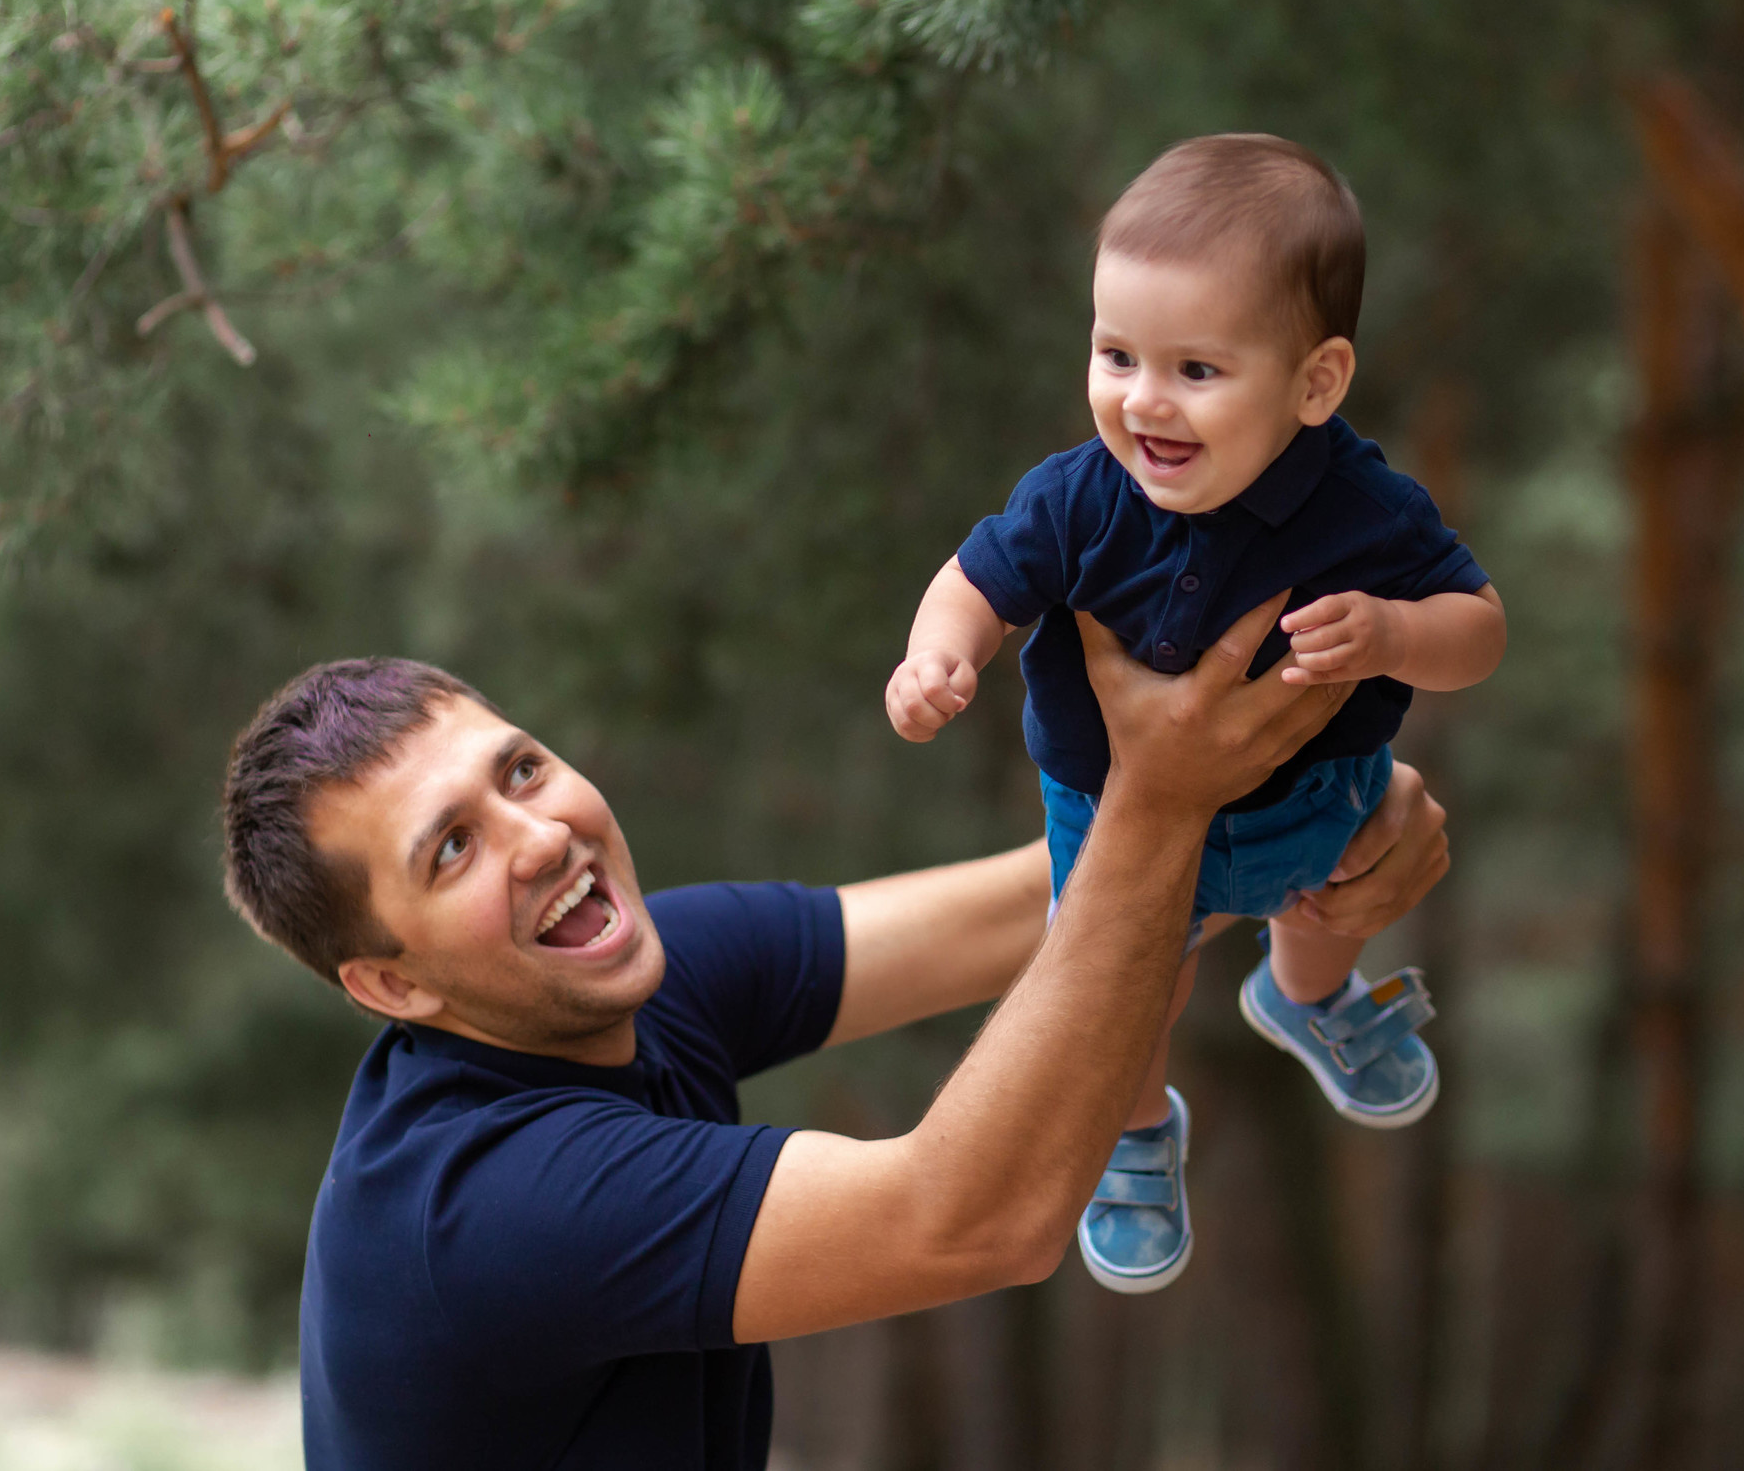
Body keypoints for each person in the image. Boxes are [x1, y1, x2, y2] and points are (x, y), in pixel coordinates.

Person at [220, 599, 1449, 1470]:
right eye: (452, 847)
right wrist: (1166, 806)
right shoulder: (482, 1204)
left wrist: (1305, 817)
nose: (538, 837)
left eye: (523, 771)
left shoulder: (633, 978)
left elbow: (1037, 907)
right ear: (392, 987)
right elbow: (975, 1213)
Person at [886, 133, 1504, 1292]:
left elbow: (1481, 628)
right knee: (1130, 981)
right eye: (1114, 354)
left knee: (1346, 885)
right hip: (1109, 810)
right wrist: (937, 657)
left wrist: (1394, 633)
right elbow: (972, 581)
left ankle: (1303, 997)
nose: (1142, 402)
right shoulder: (1077, 500)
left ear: (1315, 382)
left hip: (1315, 796)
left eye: (1195, 371)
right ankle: (1134, 1132)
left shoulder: (1369, 512)